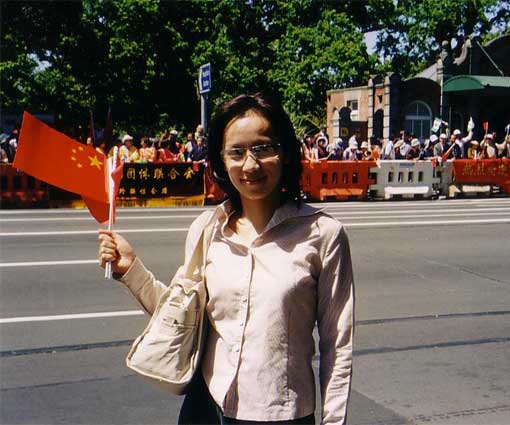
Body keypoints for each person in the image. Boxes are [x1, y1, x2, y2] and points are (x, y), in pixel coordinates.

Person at [98, 93, 354, 425]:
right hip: (206, 406)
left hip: (279, 413)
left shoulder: (323, 234)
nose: (250, 165)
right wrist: (130, 269)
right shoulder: (207, 229)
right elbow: (177, 315)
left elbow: (338, 345)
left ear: (286, 152)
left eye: (263, 148)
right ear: (221, 160)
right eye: (236, 152)